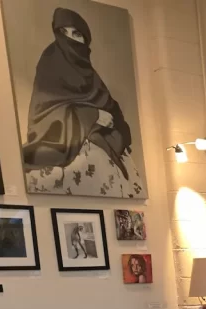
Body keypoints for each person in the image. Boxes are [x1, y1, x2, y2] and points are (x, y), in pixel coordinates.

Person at [22, 8, 134, 181]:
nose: (70, 39)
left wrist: (110, 121)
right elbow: (45, 112)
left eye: (76, 34)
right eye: (63, 33)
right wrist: (92, 115)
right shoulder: (49, 63)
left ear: (85, 39)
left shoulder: (90, 75)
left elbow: (111, 108)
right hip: (62, 146)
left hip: (100, 149)